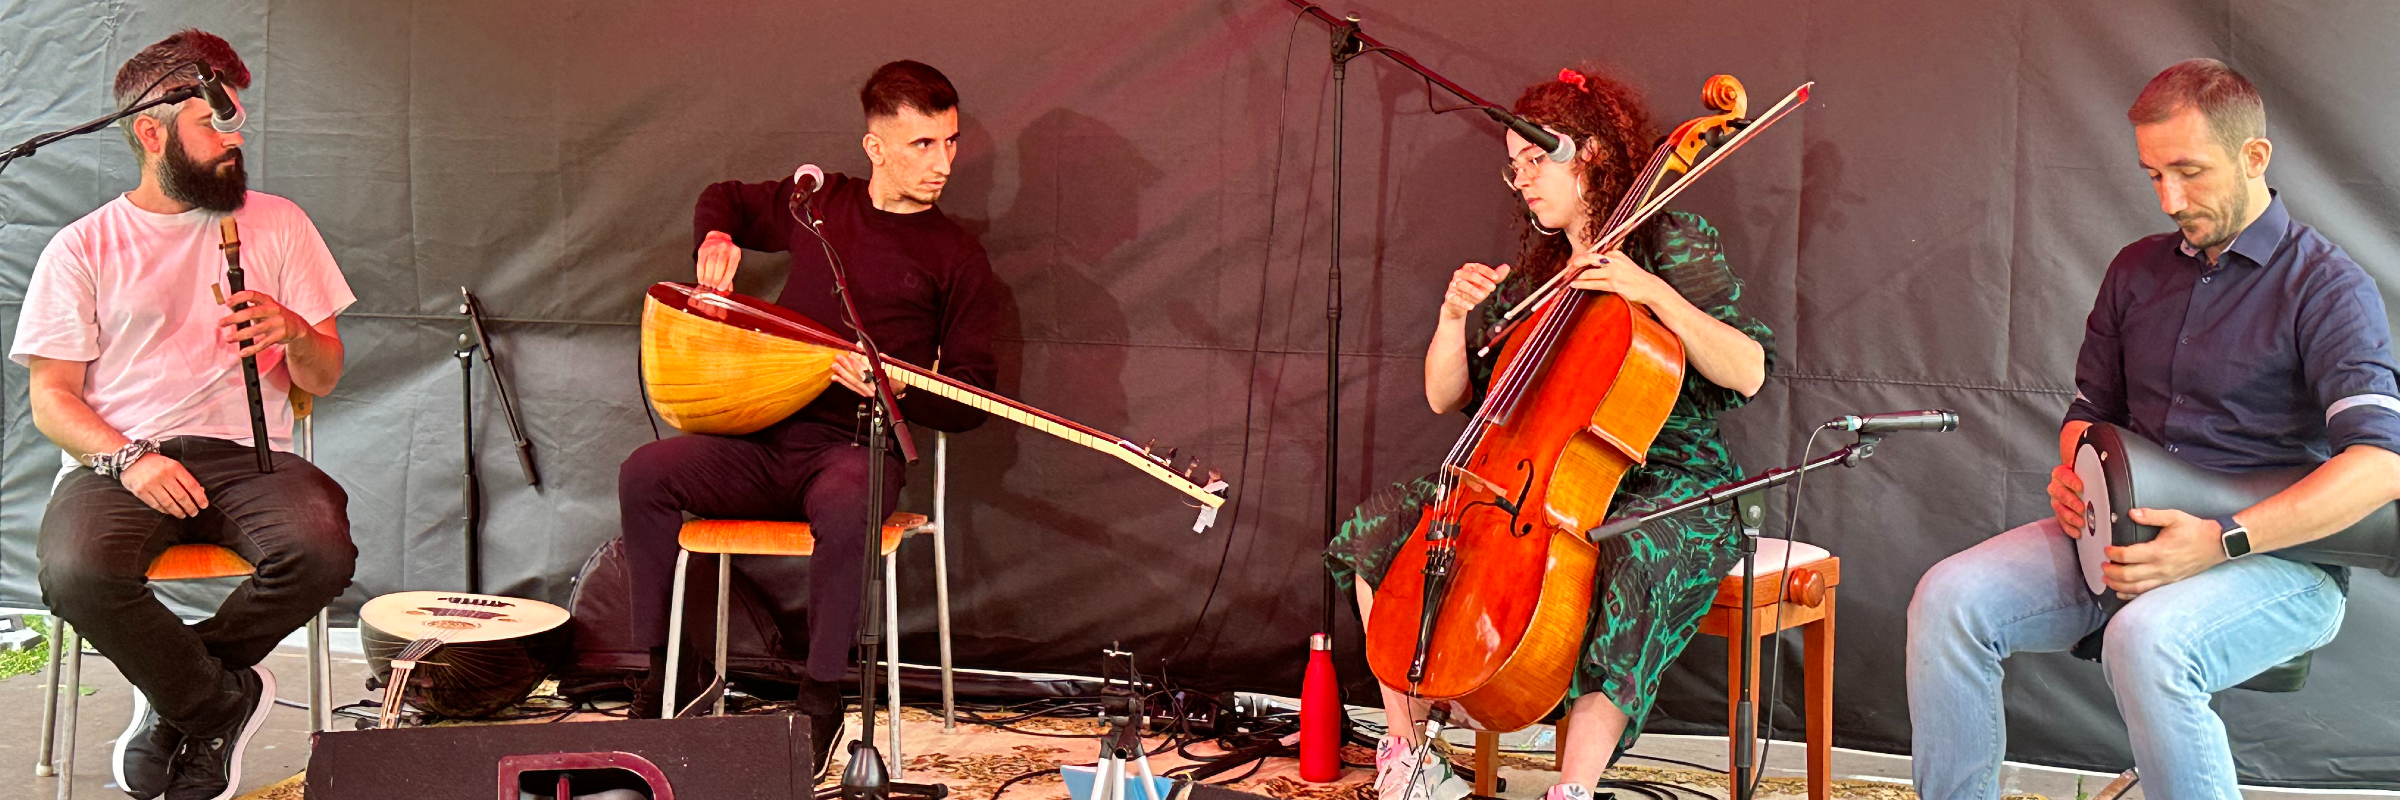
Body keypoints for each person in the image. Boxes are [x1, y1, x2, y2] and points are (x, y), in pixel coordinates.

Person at [1906, 58, 2399, 799]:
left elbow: (2381, 465)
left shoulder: (2328, 286)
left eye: (2189, 172)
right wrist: (2075, 478)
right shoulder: (2134, 271)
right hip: (2125, 540)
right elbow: (2087, 416)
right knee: (1949, 600)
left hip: (2278, 561)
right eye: (2152, 176)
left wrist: (2220, 538)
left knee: (2146, 640)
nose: (2170, 198)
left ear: (2253, 156)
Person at [1326, 67, 1774, 800]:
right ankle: (1412, 756)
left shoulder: (1670, 240)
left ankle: (1575, 788)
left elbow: (1749, 370)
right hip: (1535, 481)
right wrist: (1450, 321)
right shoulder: (1539, 275)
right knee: (1382, 529)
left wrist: (1649, 291)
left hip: (1669, 477)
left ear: (1593, 153)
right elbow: (1447, 397)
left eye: (1538, 159)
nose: (1523, 179)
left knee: (1634, 549)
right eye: (1515, 167)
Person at [614, 60, 998, 775]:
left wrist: (892, 388)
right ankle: (666, 675)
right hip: (765, 438)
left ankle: (821, 700)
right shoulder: (819, 207)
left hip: (856, 450)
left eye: (948, 142)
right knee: (647, 473)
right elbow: (722, 196)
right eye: (922, 145)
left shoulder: (958, 256)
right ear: (875, 148)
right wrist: (717, 238)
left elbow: (975, 396)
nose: (943, 162)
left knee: (851, 500)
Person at [11, 29, 357, 800]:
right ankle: (217, 704)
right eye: (215, 123)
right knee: (74, 574)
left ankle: (177, 697)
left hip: (247, 455)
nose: (236, 141)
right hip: (119, 461)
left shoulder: (281, 224)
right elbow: (52, 399)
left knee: (321, 550)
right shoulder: (82, 248)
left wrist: (295, 333)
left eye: (239, 123)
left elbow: (324, 376)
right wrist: (131, 459)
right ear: (151, 130)